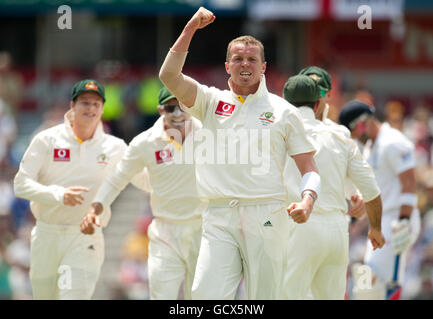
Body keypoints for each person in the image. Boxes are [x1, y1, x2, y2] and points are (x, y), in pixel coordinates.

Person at [158, 7, 320, 299]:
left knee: (264, 298)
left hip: (267, 214)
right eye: (238, 58)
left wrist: (307, 201)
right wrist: (191, 27)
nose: (245, 64)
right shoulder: (209, 101)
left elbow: (309, 168)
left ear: (263, 67)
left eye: (251, 59)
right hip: (218, 215)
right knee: (206, 295)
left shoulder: (284, 111)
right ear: (227, 65)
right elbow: (169, 75)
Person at [80, 86, 206, 300]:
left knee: (201, 296)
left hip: (202, 229)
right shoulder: (145, 142)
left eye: (181, 107)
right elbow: (117, 178)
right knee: (161, 293)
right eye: (170, 108)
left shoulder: (208, 133)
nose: (177, 113)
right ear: (160, 110)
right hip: (165, 230)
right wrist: (96, 208)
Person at [13, 79, 128, 299]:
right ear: (72, 106)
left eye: (96, 104)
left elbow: (144, 178)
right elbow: (21, 184)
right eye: (85, 103)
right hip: (47, 233)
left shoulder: (115, 147)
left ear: (103, 108)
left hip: (85, 236)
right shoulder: (47, 140)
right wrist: (59, 195)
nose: (91, 109)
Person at [281, 75, 385, 299]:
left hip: (297, 225)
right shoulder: (340, 136)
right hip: (336, 231)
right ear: (318, 104)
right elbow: (371, 190)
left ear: (285, 103)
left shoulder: (280, 132)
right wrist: (375, 228)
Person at [339, 100, 421, 299]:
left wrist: (403, 220)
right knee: (371, 282)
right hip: (381, 221)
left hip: (397, 219)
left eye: (353, 131)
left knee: (375, 281)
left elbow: (409, 183)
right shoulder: (370, 147)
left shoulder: (392, 141)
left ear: (361, 123)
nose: (355, 137)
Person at [298, 66, 365, 218]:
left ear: (328, 95)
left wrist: (357, 195)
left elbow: (345, 175)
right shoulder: (286, 128)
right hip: (293, 220)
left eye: (320, 92)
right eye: (310, 91)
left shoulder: (339, 134)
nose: (315, 98)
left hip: (329, 222)